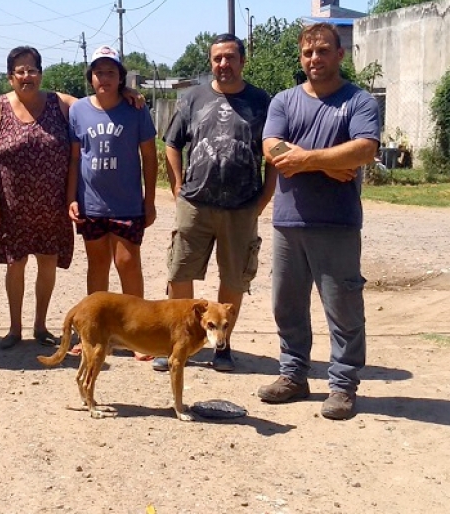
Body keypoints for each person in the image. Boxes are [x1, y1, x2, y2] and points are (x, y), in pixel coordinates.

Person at [258, 23, 380, 420]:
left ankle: (343, 385)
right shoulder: (284, 101)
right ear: (302, 57)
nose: (315, 59)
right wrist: (330, 164)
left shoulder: (358, 102)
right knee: (286, 304)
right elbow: (271, 147)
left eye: (324, 51)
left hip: (338, 223)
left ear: (339, 55)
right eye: (309, 53)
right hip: (288, 221)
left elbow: (364, 148)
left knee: (343, 306)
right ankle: (293, 376)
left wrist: (306, 160)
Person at [154, 33, 274, 373]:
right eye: (217, 58)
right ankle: (178, 343)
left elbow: (274, 153)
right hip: (195, 203)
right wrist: (177, 184)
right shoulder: (192, 98)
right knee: (180, 273)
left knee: (233, 279)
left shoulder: (261, 102)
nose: (223, 64)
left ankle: (222, 347)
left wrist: (266, 196)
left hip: (241, 206)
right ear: (211, 62)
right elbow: (172, 143)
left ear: (242, 61)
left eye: (230, 57)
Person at [0, 46, 75, 350]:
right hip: (10, 206)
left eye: (32, 69)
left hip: (52, 205)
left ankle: (40, 326)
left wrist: (127, 90)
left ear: (41, 74)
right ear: (10, 77)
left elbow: (99, 103)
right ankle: (14, 328)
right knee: (15, 264)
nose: (26, 75)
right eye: (19, 70)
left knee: (48, 263)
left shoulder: (60, 103)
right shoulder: (0, 107)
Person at [67, 46, 158, 358]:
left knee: (127, 264)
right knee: (97, 266)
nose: (104, 77)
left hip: (128, 204)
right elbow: (75, 158)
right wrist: (71, 198)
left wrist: (151, 201)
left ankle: (137, 336)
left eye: (111, 72)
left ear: (121, 77)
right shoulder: (78, 110)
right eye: (98, 72)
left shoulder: (135, 110)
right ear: (90, 77)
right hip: (91, 204)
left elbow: (148, 156)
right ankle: (92, 332)